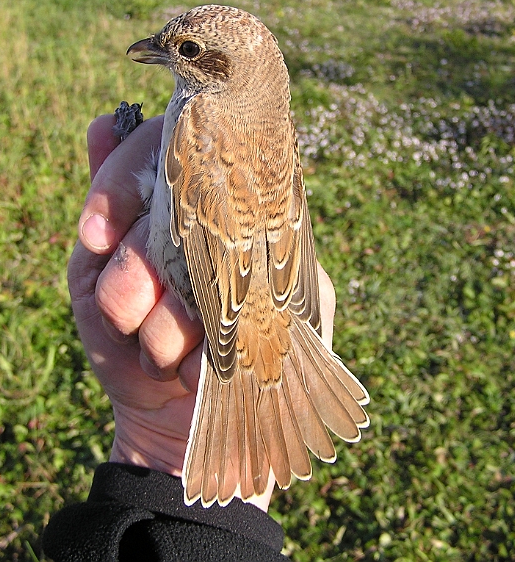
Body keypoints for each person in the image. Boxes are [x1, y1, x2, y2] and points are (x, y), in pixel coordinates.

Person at [42, 113, 338, 561]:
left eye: (189, 51)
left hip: (228, 308)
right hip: (260, 306)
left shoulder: (201, 120)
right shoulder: (269, 123)